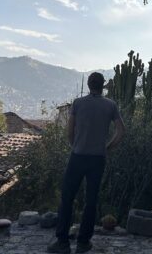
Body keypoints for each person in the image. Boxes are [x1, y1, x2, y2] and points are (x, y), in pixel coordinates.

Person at [48, 72, 125, 254]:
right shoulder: (110, 105)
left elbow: (69, 130)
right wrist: (108, 147)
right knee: (91, 200)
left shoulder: (78, 103)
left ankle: (62, 243)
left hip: (78, 156)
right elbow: (121, 131)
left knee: (67, 198)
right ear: (102, 85)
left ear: (89, 85)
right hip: (98, 159)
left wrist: (75, 145)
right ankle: (83, 243)